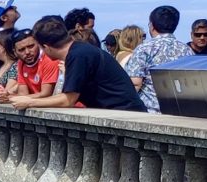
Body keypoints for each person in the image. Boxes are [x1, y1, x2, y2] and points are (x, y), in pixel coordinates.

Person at [11, 13, 146, 112]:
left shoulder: (78, 55)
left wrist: (30, 102)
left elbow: (67, 100)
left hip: (125, 112)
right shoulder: (79, 51)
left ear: (46, 47)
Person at [127, 5, 190, 112]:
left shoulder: (144, 48)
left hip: (150, 111)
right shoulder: (186, 49)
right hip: (179, 111)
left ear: (152, 25)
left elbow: (135, 83)